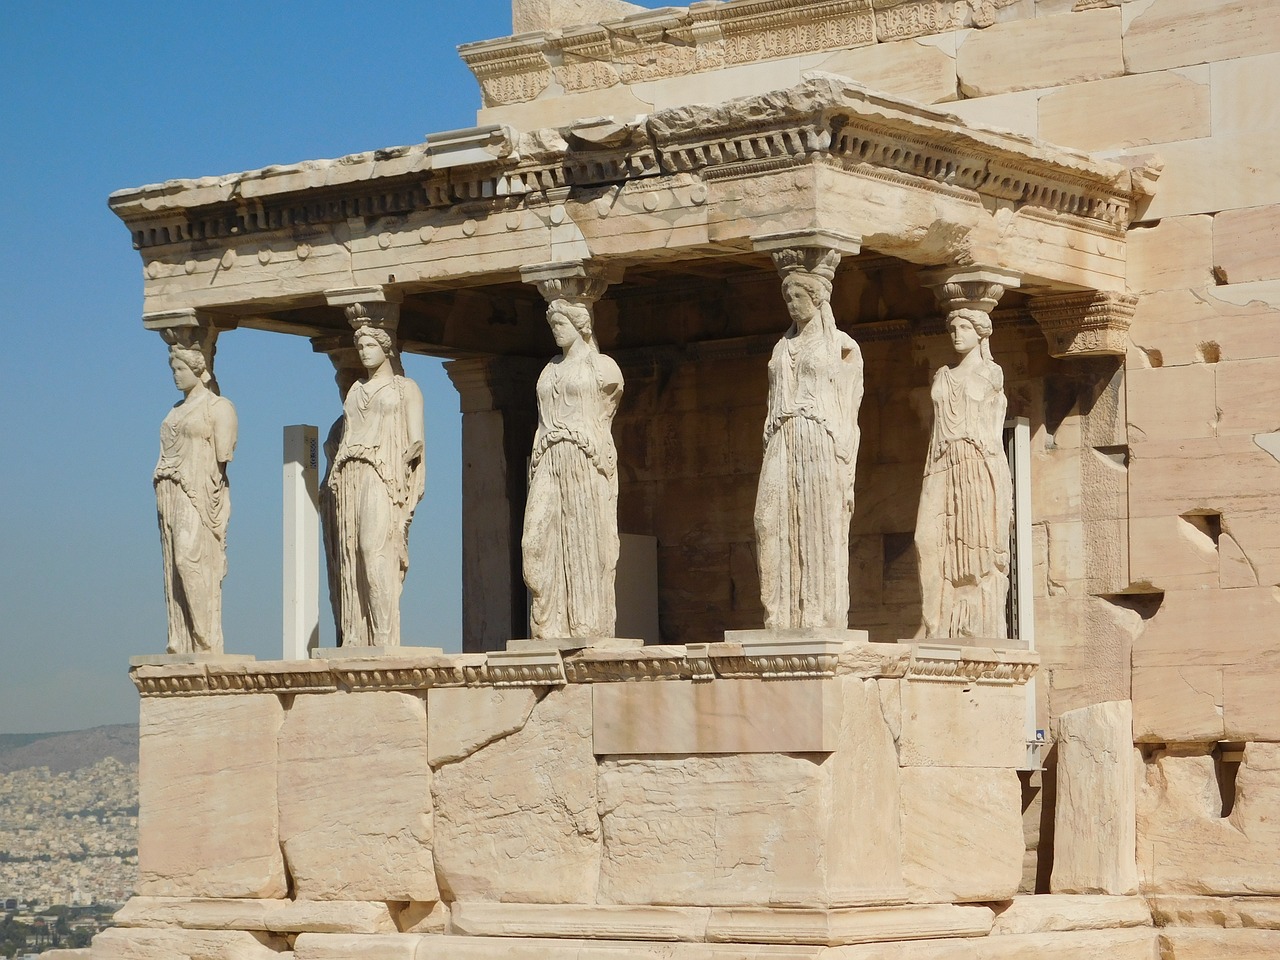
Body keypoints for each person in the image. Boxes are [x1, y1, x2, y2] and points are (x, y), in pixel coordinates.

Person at [754, 268, 863, 630]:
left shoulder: (842, 346)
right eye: (787, 298)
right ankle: (779, 611)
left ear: (818, 299)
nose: (791, 304)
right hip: (782, 437)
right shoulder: (781, 346)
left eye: (798, 297)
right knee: (767, 520)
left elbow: (850, 406)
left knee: (818, 524)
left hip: (819, 437)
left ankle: (817, 613)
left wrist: (845, 461)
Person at [521, 298, 623, 639]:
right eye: (552, 326)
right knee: (533, 545)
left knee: (584, 541)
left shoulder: (603, 368)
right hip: (548, 457)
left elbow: (605, 411)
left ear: (581, 325)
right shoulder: (548, 369)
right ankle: (547, 624)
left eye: (561, 324)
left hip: (584, 457)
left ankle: (585, 624)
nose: (556, 331)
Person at [915, 308, 1012, 640]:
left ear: (980, 333)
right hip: (941, 461)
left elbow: (992, 431)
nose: (957, 333)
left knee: (975, 547)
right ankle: (936, 622)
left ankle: (972, 625)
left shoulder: (990, 374)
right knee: (926, 540)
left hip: (975, 463)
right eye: (953, 328)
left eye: (964, 327)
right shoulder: (942, 375)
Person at [327, 319, 424, 647]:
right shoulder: (355, 391)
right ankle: (357, 634)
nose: (364, 353)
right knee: (351, 552)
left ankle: (384, 635)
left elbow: (416, 440)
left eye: (370, 346)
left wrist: (413, 459)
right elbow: (347, 434)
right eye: (361, 347)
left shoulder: (405, 388)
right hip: (352, 473)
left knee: (374, 548)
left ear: (386, 348)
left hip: (383, 474)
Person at [154, 342, 237, 654]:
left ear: (198, 370)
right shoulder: (175, 410)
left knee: (188, 559)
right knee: (173, 566)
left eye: (180, 369)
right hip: (169, 490)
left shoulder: (219, 407)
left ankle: (206, 638)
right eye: (173, 369)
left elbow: (223, 454)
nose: (175, 376)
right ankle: (183, 638)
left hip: (198, 491)